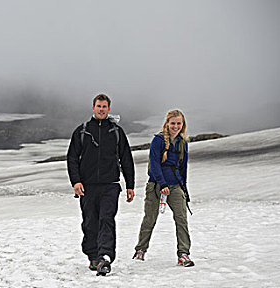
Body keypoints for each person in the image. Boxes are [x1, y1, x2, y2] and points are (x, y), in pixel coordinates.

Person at [67, 94, 135, 276]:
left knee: (107, 219)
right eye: (98, 106)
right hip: (87, 186)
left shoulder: (116, 132)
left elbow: (126, 158)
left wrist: (130, 185)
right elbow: (72, 158)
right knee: (90, 222)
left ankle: (105, 256)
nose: (101, 109)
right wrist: (76, 181)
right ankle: (92, 256)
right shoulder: (82, 131)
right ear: (93, 108)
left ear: (109, 109)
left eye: (105, 106)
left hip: (110, 185)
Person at [133, 109, 194, 267]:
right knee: (150, 218)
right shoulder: (158, 140)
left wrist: (184, 188)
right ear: (167, 123)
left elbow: (183, 167)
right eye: (172, 123)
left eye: (178, 123)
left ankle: (183, 254)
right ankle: (140, 250)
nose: (175, 126)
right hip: (156, 184)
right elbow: (154, 164)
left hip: (175, 185)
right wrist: (162, 184)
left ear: (183, 124)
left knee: (181, 219)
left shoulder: (182, 143)